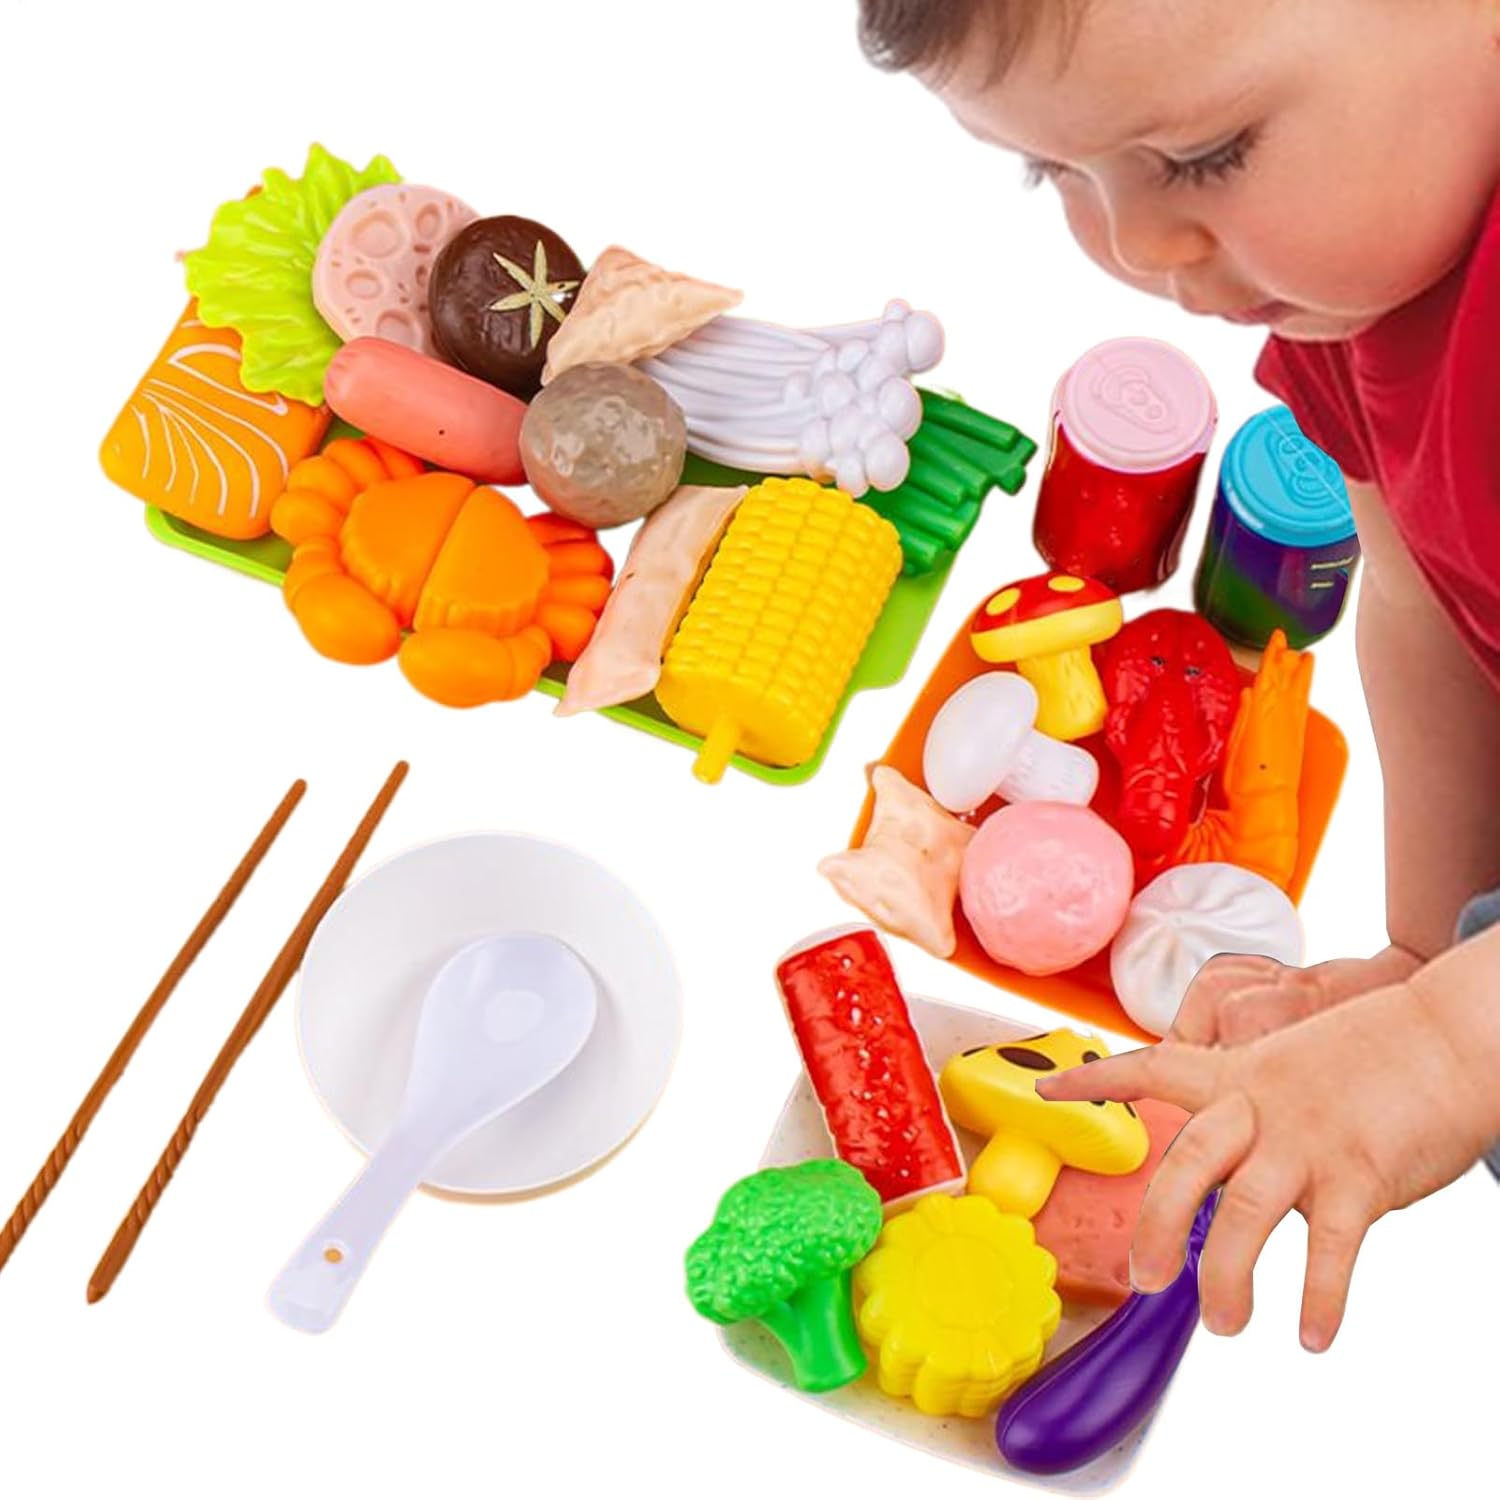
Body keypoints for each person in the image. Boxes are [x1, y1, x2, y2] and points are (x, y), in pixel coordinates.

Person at [854, 0, 1500, 1351]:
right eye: (1055, 171)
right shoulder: (1362, 284)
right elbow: (1423, 601)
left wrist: (1452, 1042)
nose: (1136, 248)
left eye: (1207, 157)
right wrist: (1428, 956)